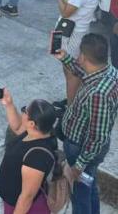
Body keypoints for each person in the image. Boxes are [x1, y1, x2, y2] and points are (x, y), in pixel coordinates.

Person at [54, 34, 118, 214]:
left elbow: (98, 136)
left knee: (79, 195)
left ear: (83, 57)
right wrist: (64, 58)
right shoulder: (109, 71)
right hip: (87, 150)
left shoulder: (98, 94)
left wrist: (78, 165)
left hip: (81, 149)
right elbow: (85, 72)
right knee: (89, 187)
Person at [0, 89, 58, 214]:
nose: (22, 112)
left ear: (31, 123)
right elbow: (18, 127)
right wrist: (9, 104)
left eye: (25, 110)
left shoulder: (37, 157)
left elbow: (27, 197)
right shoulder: (35, 132)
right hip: (12, 202)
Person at [57, 0, 101, 102]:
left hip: (73, 34)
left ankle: (71, 105)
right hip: (80, 31)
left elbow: (66, 12)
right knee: (73, 69)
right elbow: (76, 1)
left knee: (71, 71)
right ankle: (74, 99)